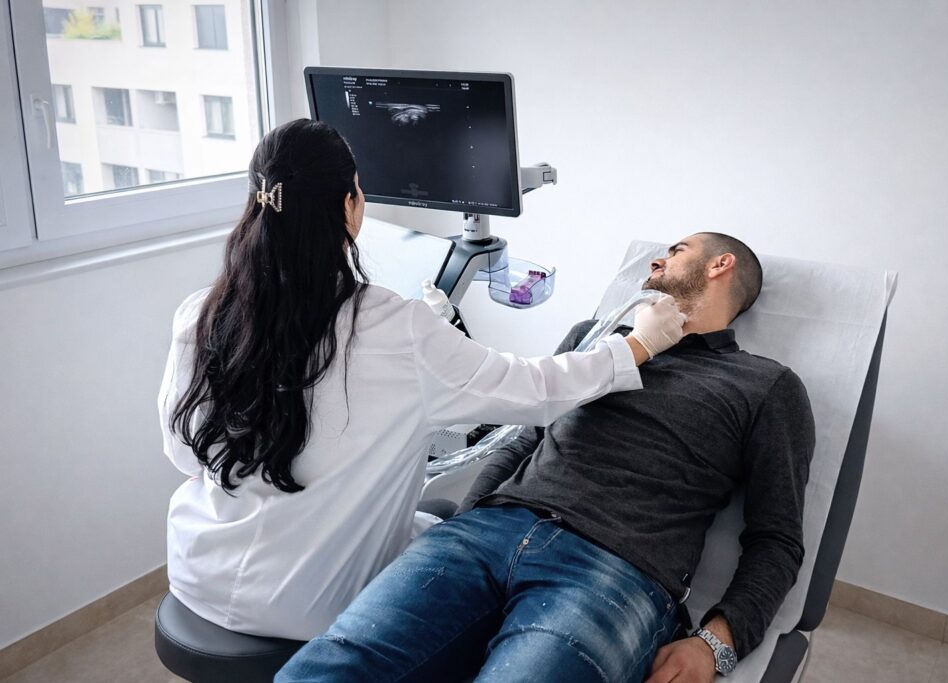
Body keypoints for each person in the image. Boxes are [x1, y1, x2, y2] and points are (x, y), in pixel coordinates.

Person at [157, 118, 687, 641]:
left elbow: (186, 455)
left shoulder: (202, 314)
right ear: (349, 206)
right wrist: (638, 344)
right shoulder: (400, 330)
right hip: (313, 604)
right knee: (456, 545)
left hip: (198, 570)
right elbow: (536, 390)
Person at [275, 232, 816, 683]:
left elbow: (777, 537)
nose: (656, 261)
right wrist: (466, 522)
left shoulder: (765, 385)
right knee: (335, 665)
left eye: (676, 251)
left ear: (721, 265)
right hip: (484, 535)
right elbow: (522, 440)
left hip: (617, 569)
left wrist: (716, 642)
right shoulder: (596, 341)